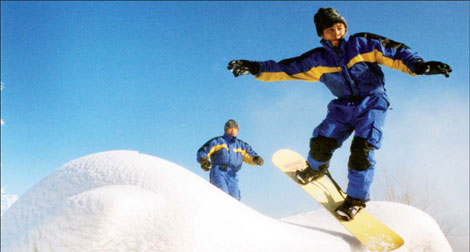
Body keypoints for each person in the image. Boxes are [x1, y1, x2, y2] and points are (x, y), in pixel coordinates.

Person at [227, 7, 451, 220]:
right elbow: (286, 68)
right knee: (322, 140)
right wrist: (254, 67)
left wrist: (420, 66)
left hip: (372, 102)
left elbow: (395, 51)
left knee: (362, 150)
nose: (336, 32)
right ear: (322, 34)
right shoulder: (317, 59)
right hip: (343, 106)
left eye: (339, 27)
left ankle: (355, 200)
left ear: (344, 27)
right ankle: (315, 169)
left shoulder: (361, 43)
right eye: (329, 29)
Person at [197, 119, 264, 200]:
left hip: (233, 175)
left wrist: (256, 159)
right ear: (226, 130)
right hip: (219, 172)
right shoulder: (218, 141)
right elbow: (203, 151)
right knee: (221, 195)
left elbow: (250, 155)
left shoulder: (241, 145)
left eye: (235, 128)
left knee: (235, 199)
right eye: (230, 128)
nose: (233, 130)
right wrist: (203, 160)